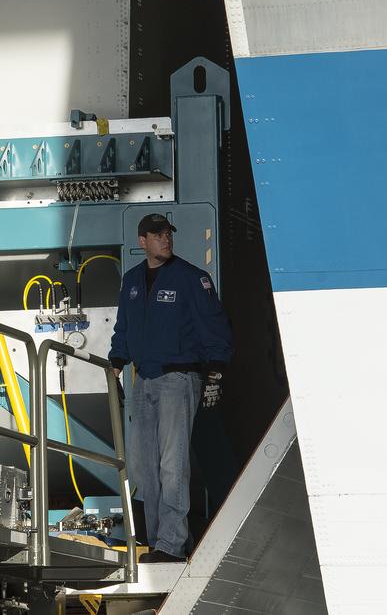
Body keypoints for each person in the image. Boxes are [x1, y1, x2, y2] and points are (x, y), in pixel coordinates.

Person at [108, 213, 233, 562]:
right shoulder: (131, 282)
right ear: (142, 240)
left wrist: (216, 373)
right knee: (144, 468)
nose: (166, 240)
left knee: (172, 465)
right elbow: (124, 330)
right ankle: (160, 541)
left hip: (178, 381)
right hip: (142, 380)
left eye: (168, 234)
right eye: (158, 235)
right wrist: (116, 363)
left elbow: (215, 328)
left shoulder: (192, 279)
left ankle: (171, 545)